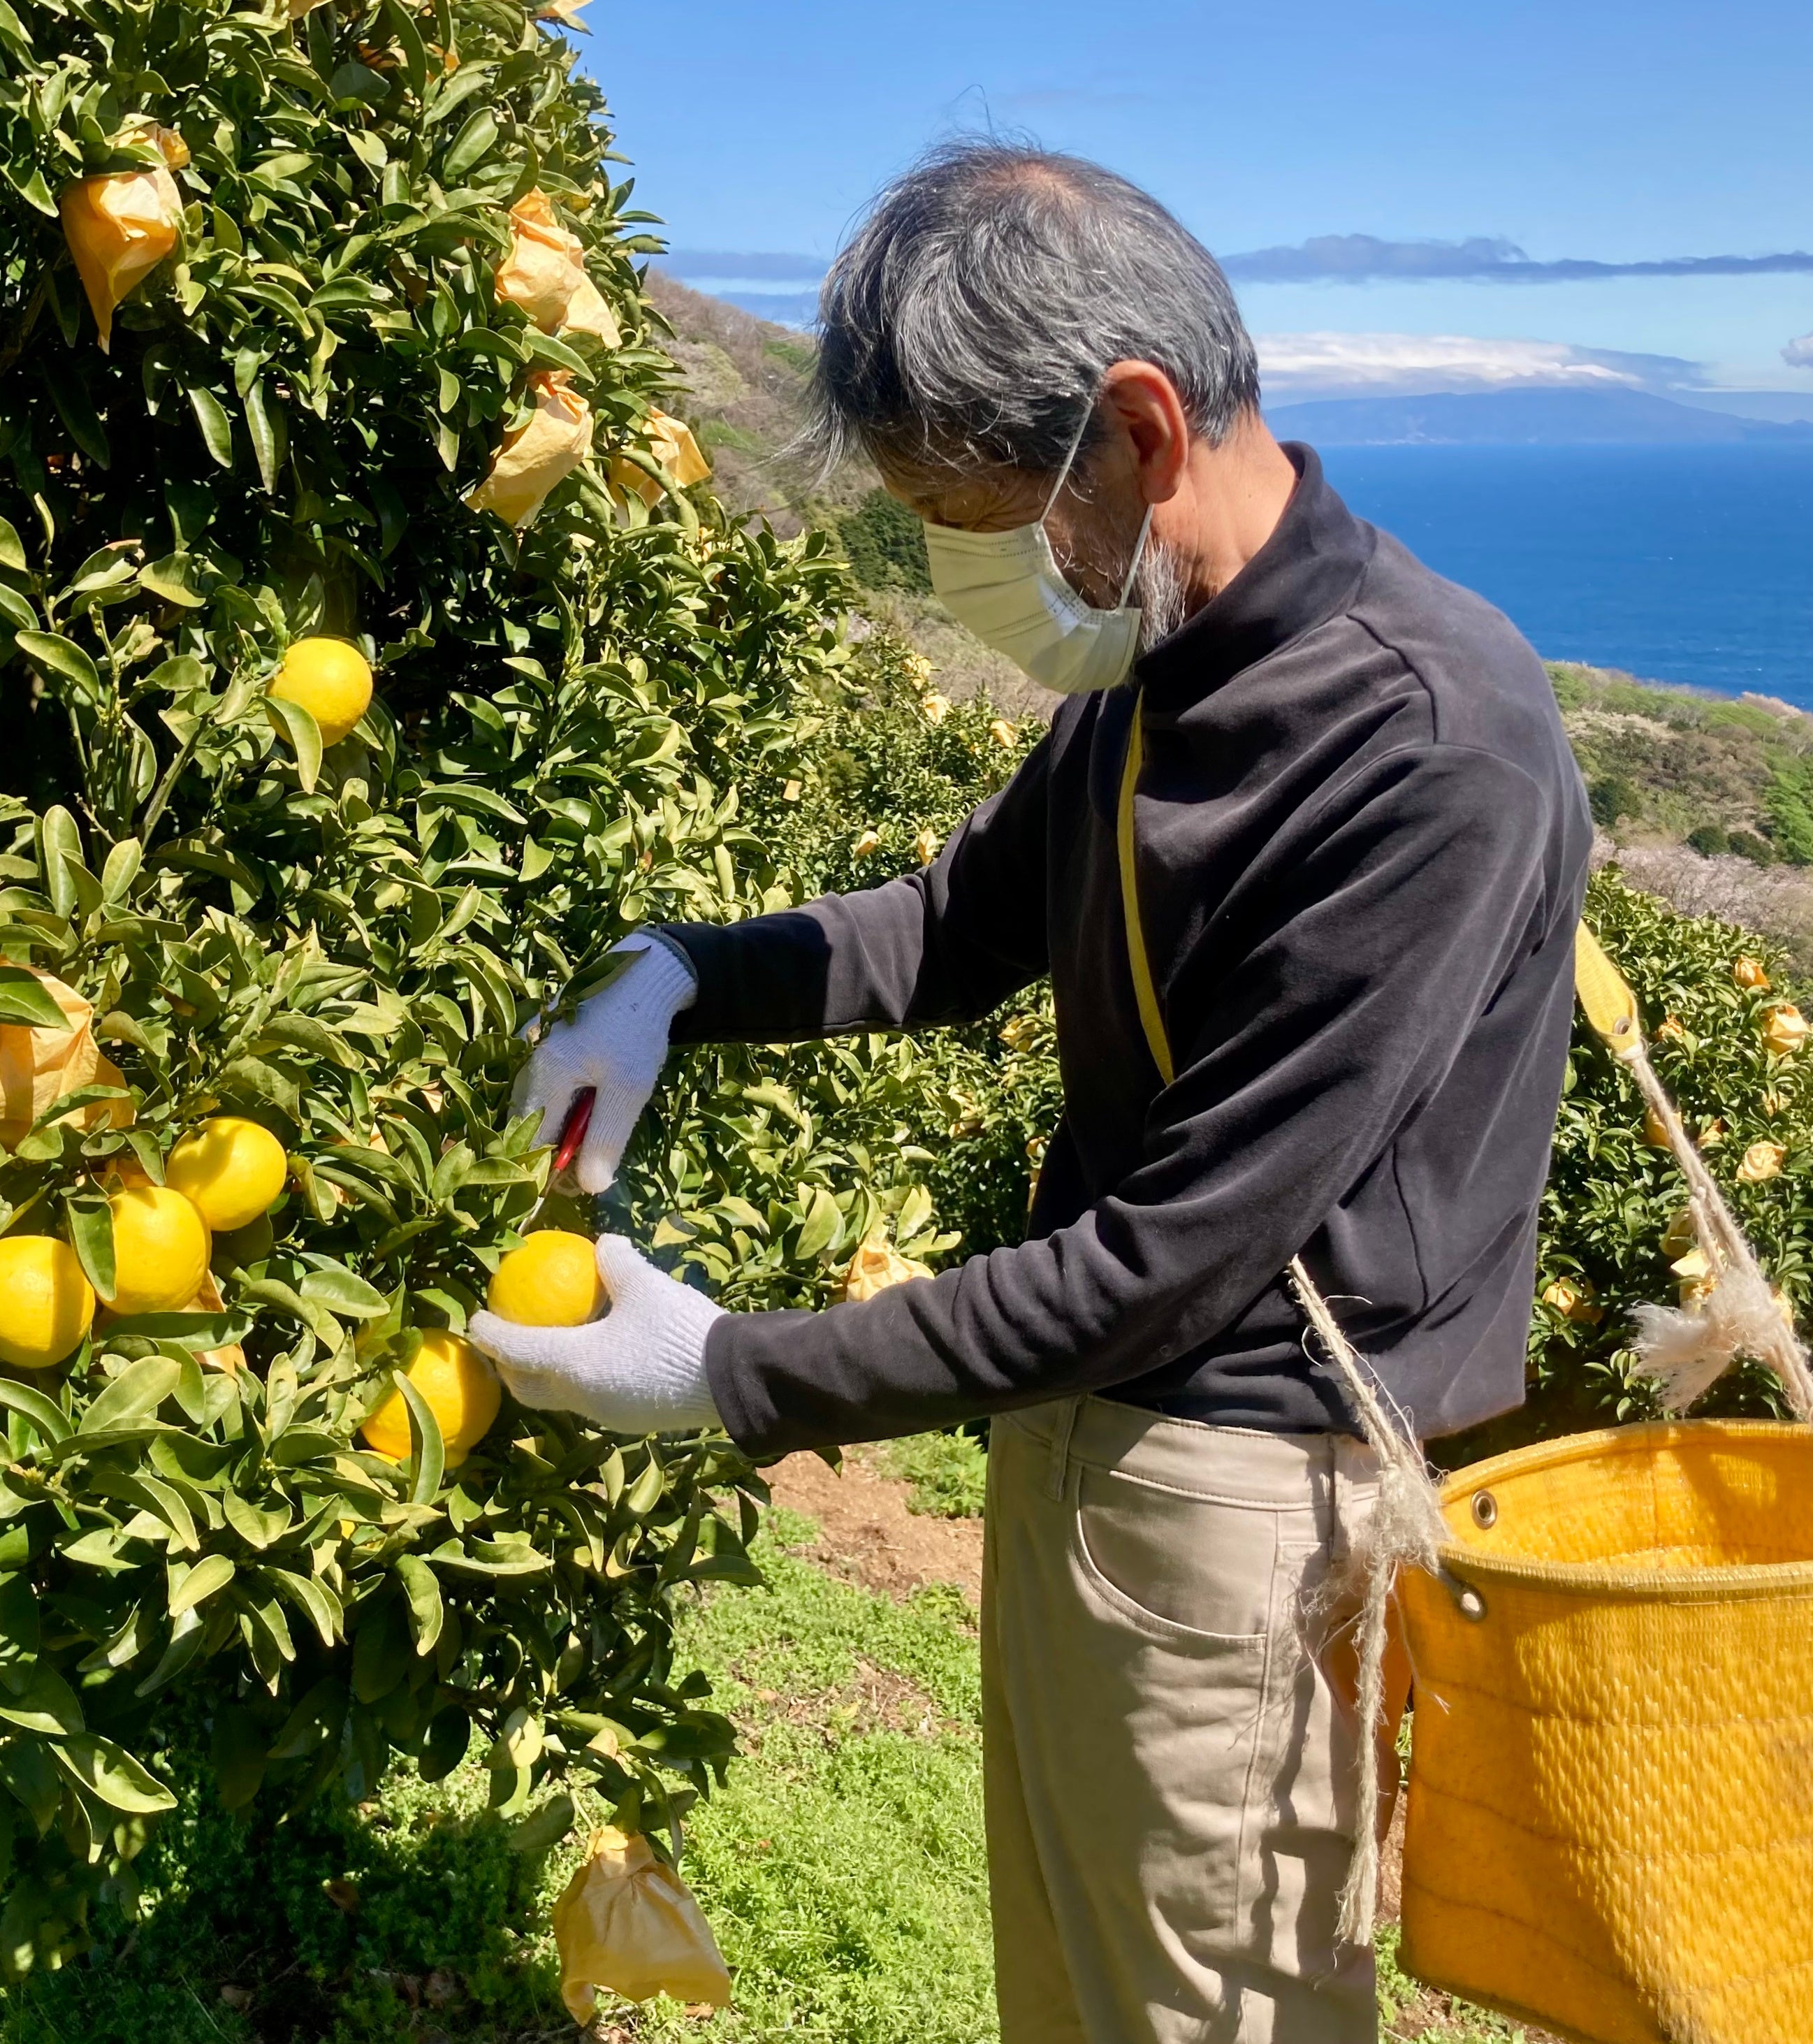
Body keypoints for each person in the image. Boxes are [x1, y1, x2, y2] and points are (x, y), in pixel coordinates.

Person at [468, 142, 1590, 2044]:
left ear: (1136, 430)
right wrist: (678, 973)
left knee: (1208, 2012)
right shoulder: (1159, 664)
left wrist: (736, 1374)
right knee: (1070, 1994)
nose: (966, 573)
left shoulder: (1419, 742)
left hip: (1257, 1491)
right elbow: (952, 927)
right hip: (1081, 1436)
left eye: (967, 515)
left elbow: (1178, 1256)